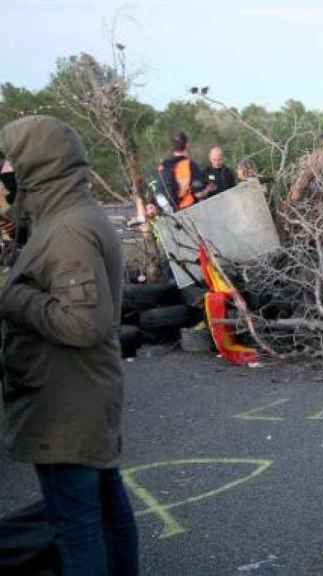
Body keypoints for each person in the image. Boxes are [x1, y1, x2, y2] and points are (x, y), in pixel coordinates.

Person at [0, 116, 138, 575]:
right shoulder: (67, 216)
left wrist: (9, 293)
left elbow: (82, 325)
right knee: (104, 509)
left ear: (35, 165)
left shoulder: (67, 230)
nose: (5, 172)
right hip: (79, 394)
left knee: (76, 527)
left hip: (65, 401)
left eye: (11, 161)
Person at [156, 131, 203, 211]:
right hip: (191, 209)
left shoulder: (163, 166)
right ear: (187, 145)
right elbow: (198, 194)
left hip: (174, 215)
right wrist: (208, 189)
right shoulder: (190, 165)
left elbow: (159, 193)